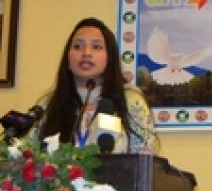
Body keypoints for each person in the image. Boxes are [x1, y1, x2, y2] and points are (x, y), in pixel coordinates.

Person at [34, 17, 159, 153]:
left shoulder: (131, 102)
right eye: (77, 46)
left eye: (96, 47)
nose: (86, 53)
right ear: (68, 60)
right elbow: (26, 156)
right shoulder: (47, 105)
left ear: (109, 57)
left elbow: (146, 160)